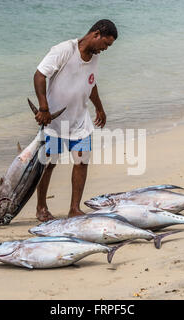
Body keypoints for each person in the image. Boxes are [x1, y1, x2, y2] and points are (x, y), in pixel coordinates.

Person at [33, 19, 118, 222]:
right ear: (96, 34)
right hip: (54, 123)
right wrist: (43, 107)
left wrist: (99, 107)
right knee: (48, 164)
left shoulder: (94, 57)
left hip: (80, 121)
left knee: (81, 162)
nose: (105, 49)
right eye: (106, 44)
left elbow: (91, 83)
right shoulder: (64, 50)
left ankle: (75, 208)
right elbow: (39, 75)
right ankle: (41, 207)